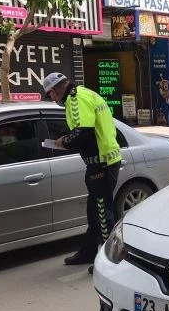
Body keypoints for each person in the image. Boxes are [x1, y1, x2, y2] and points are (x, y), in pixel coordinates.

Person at [43, 72, 122, 269]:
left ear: (53, 92)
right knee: (93, 212)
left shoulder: (75, 98)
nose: (53, 100)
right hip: (101, 161)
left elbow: (83, 131)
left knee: (103, 214)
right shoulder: (85, 93)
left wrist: (65, 141)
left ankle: (108, 260)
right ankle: (88, 252)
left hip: (101, 163)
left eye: (50, 96)